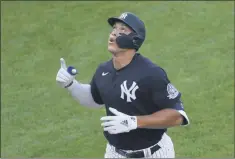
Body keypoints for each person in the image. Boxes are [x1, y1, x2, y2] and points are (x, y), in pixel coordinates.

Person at [56, 12, 190, 158]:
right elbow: (95, 100)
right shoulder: (103, 70)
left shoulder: (151, 74)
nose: (114, 33)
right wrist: (71, 84)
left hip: (153, 153)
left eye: (122, 30)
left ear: (135, 39)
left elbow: (178, 116)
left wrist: (134, 122)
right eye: (114, 28)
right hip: (115, 154)